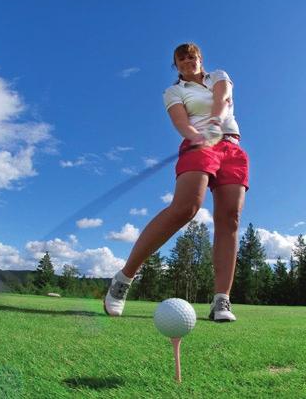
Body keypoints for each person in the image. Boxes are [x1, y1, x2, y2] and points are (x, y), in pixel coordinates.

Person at [103, 42, 249, 322]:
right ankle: (123, 279)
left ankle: (222, 300)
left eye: (190, 57)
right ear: (176, 66)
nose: (186, 62)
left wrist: (216, 124)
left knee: (230, 218)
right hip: (199, 144)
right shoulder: (174, 91)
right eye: (180, 60)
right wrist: (196, 136)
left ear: (200, 59)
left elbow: (222, 99)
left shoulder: (218, 75)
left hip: (231, 147)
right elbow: (181, 122)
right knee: (186, 208)